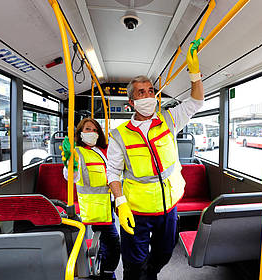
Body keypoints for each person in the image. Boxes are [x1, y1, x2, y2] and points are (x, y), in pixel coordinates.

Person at [107, 40, 204, 280]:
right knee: (133, 262)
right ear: (132, 102)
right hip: (136, 211)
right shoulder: (120, 135)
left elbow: (196, 101)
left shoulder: (169, 120)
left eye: (151, 90)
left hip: (168, 208)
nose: (149, 95)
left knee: (164, 254)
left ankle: (151, 273)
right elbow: (112, 172)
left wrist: (194, 73)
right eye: (142, 92)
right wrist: (120, 202)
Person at [62, 118, 121, 280]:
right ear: (80, 133)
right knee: (114, 244)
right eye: (88, 129)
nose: (92, 132)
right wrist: (70, 163)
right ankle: (108, 274)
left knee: (106, 242)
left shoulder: (101, 150)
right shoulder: (78, 152)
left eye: (95, 130)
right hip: (94, 207)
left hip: (107, 204)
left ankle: (105, 271)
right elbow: (71, 178)